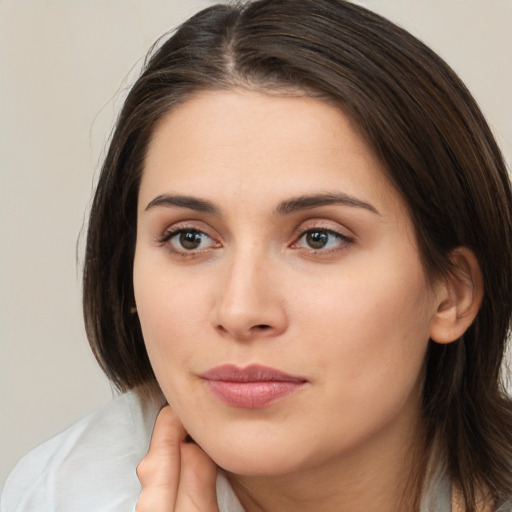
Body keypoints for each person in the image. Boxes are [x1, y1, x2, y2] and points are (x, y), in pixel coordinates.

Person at [3, 0, 512, 510]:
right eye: (190, 238)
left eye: (319, 238)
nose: (241, 311)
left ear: (451, 294)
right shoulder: (57, 496)